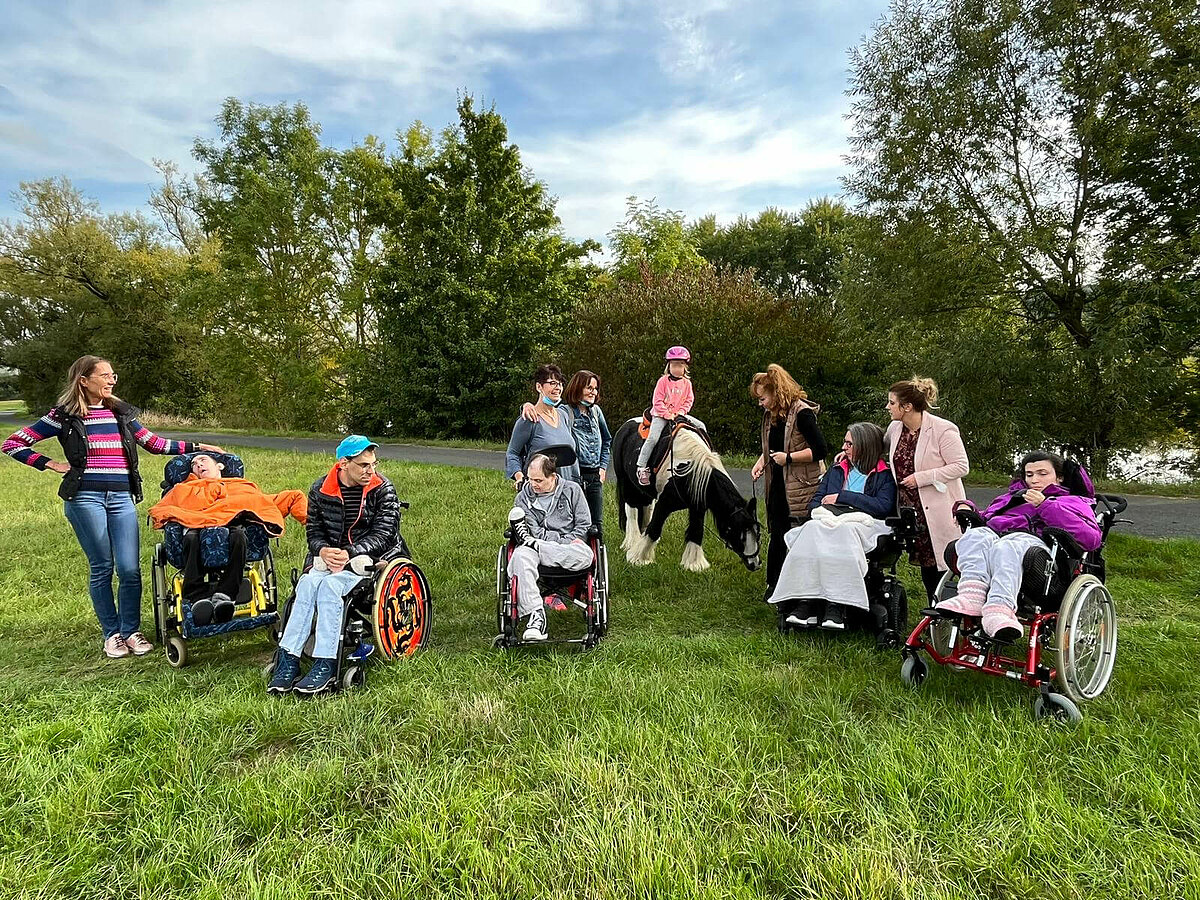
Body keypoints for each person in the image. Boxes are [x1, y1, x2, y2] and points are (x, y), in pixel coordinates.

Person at [2, 355, 223, 659]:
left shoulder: (121, 413)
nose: (110, 380)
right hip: (85, 499)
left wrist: (199, 447)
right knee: (102, 567)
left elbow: (154, 444)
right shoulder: (63, 416)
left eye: (112, 376)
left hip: (121, 499)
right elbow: (12, 443)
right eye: (104, 375)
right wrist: (50, 464)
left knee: (130, 569)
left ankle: (131, 630)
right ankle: (112, 634)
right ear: (84, 380)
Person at [267, 436, 401, 696]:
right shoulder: (320, 490)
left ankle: (326, 663)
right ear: (343, 463)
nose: (371, 471)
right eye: (363, 465)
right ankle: (288, 659)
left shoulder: (383, 488)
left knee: (329, 587)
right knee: (306, 585)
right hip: (330, 558)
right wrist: (323, 550)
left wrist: (348, 553)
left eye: (373, 464)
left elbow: (385, 533)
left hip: (371, 558)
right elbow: (314, 532)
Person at [935, 451, 1101, 641]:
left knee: (1007, 546)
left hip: (1037, 551)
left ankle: (1000, 609)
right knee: (975, 535)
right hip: (997, 539)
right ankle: (972, 594)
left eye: (1042, 473)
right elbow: (987, 517)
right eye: (1029, 475)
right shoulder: (1012, 497)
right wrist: (967, 508)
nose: (1034, 479)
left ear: (1060, 477)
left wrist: (1045, 505)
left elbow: (1090, 539)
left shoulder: (1073, 501)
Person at [149, 453, 307, 625]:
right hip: (197, 524)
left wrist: (312, 523)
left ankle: (225, 596)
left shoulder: (241, 485)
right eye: (194, 464)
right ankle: (195, 597)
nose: (198, 465)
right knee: (191, 539)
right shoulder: (184, 487)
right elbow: (166, 507)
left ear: (220, 466)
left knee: (239, 536)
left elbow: (263, 501)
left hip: (233, 523)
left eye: (203, 460)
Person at [769, 422, 897, 631]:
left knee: (843, 533)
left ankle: (836, 605)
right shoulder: (838, 470)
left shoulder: (883, 475)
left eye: (849, 443)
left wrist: (843, 497)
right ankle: (806, 601)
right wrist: (824, 510)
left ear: (864, 446)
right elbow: (816, 501)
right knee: (810, 530)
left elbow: (882, 506)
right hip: (831, 519)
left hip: (863, 522)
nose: (844, 447)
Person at [884, 377, 969, 603]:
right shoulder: (895, 429)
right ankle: (934, 610)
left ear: (907, 407)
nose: (888, 407)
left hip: (937, 509)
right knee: (926, 565)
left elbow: (961, 466)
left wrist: (922, 478)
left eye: (892, 403)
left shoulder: (943, 430)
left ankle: (952, 611)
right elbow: (878, 448)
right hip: (911, 510)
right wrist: (853, 450)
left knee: (944, 563)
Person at [749, 364, 828, 599]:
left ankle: (804, 588)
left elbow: (820, 450)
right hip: (778, 482)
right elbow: (773, 446)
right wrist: (761, 461)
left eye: (762, 398)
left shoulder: (802, 413)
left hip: (802, 486)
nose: (760, 403)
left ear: (776, 392)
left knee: (799, 534)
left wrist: (790, 459)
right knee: (777, 531)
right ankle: (774, 585)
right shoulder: (769, 416)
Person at [507, 453, 594, 642]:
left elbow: (583, 527)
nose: (533, 484)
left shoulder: (573, 490)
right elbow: (533, 532)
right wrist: (541, 543)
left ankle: (539, 548)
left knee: (586, 556)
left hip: (570, 550)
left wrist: (553, 543)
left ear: (553, 477)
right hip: (537, 552)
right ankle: (536, 617)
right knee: (520, 556)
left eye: (539, 480)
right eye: (530, 479)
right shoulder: (523, 499)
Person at [506, 364, 580, 487]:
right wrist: (520, 477)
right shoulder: (529, 418)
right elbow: (512, 453)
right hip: (541, 491)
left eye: (560, 384)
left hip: (568, 489)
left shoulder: (564, 415)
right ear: (539, 387)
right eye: (552, 383)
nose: (558, 388)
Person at [636, 346, 695, 486]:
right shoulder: (662, 381)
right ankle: (641, 466)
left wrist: (681, 413)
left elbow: (689, 400)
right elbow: (657, 401)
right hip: (661, 415)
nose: (676, 368)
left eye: (680, 365)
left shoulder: (687, 383)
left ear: (685, 367)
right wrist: (667, 414)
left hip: (679, 415)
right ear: (669, 366)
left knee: (701, 426)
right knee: (653, 438)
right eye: (674, 365)